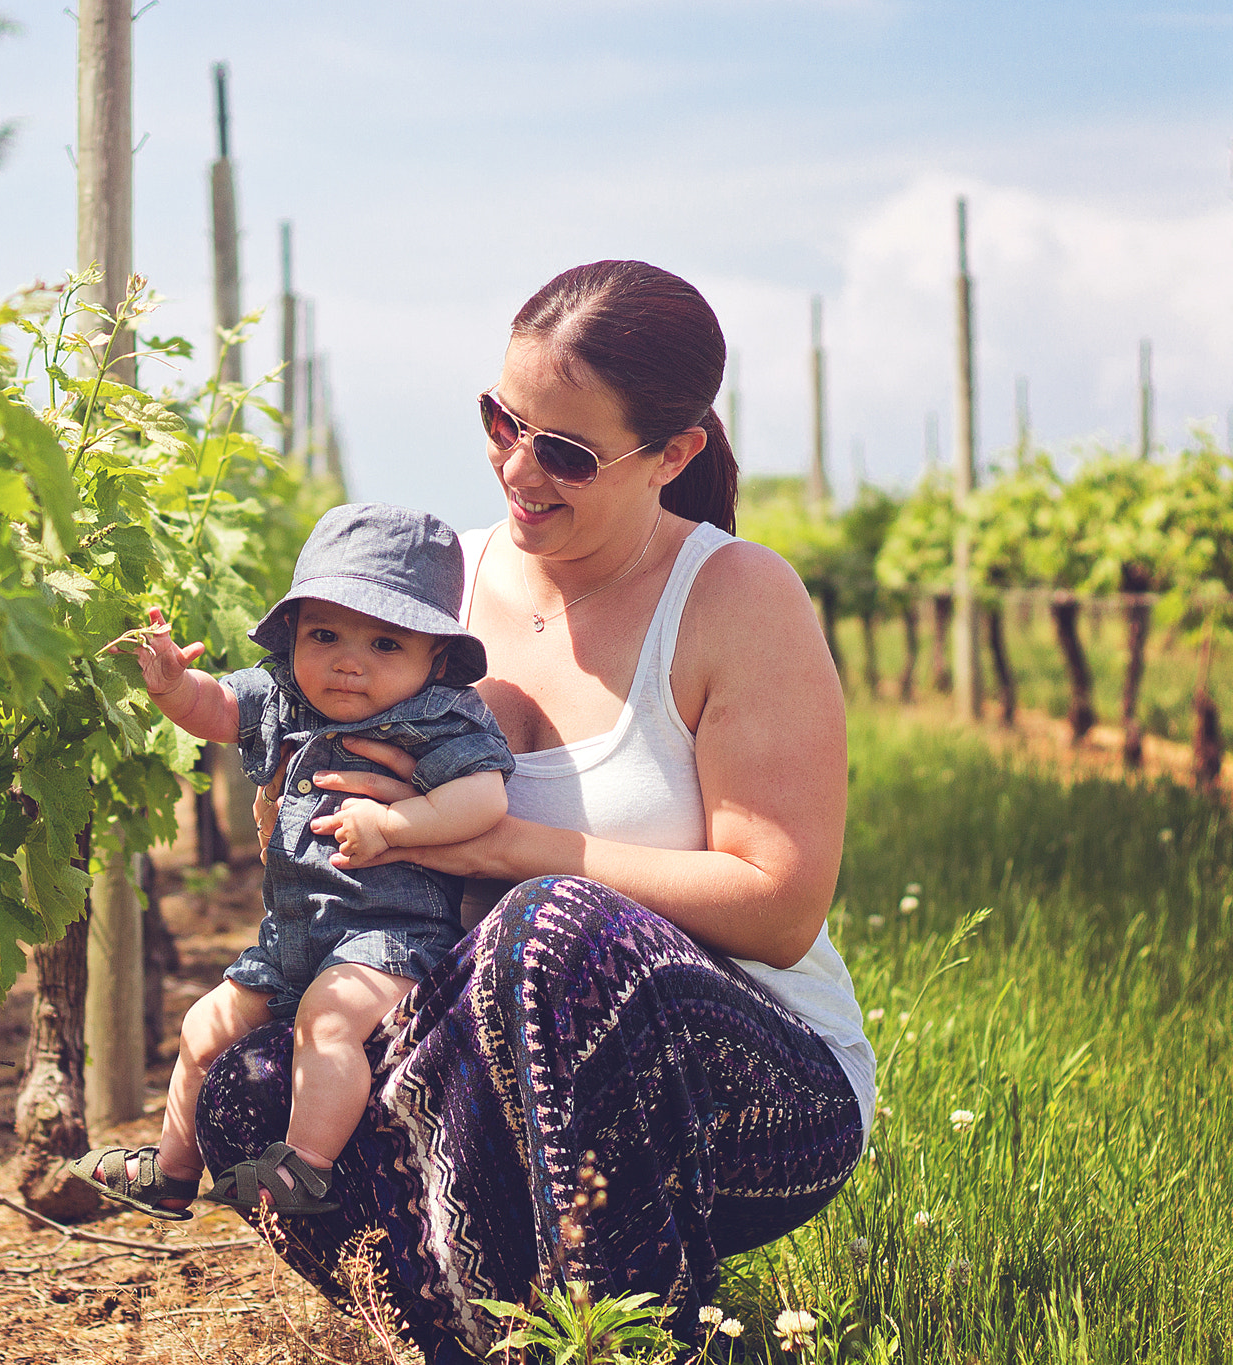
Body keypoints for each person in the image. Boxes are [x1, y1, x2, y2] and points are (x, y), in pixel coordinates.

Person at [192, 261, 874, 1360]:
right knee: (247, 1091)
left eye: (564, 451)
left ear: (675, 452)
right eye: (500, 419)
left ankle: (627, 1341)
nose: (517, 466)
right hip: (477, 1084)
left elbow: (777, 908)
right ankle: (499, 1342)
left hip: (745, 1095)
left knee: (548, 926)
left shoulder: (735, 598)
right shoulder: (421, 594)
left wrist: (502, 844)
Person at [69, 503, 516, 1220]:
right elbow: (217, 707)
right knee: (203, 1028)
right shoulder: (283, 695)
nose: (348, 660)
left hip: (390, 942)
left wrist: (398, 824)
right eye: (326, 634)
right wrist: (173, 688)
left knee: (328, 1020)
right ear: (294, 632)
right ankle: (172, 1170)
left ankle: (304, 1166)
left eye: (385, 644)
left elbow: (483, 796)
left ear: (436, 657)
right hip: (290, 941)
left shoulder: (441, 714)